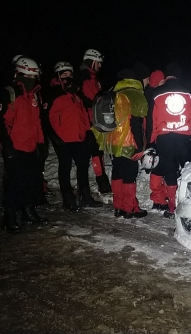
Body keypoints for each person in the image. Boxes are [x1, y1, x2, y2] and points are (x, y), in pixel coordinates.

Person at [0, 56, 49, 233]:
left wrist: (41, 143)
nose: (32, 80)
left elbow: (38, 121)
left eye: (34, 77)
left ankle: (28, 211)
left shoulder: (35, 95)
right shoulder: (9, 93)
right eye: (29, 77)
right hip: (14, 147)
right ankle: (9, 217)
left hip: (31, 146)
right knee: (14, 183)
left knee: (31, 181)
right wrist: (7, 145)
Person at [92, 62, 151, 218]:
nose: (149, 82)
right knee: (130, 174)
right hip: (129, 142)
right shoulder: (135, 94)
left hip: (112, 141)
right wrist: (139, 146)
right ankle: (130, 208)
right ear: (140, 79)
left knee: (118, 172)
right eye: (147, 79)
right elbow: (136, 123)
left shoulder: (116, 90)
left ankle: (119, 207)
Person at [145, 62, 191, 218]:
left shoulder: (157, 94)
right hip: (184, 137)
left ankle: (172, 207)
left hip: (164, 138)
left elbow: (152, 122)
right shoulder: (189, 93)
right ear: (179, 75)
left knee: (169, 171)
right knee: (187, 171)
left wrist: (151, 143)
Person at [47, 61, 103, 212]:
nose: (68, 77)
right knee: (65, 168)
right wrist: (54, 137)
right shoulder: (54, 94)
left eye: (70, 74)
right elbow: (47, 118)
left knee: (83, 167)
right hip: (63, 139)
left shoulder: (76, 94)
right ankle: (68, 199)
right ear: (58, 76)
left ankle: (85, 196)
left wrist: (87, 131)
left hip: (79, 138)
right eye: (64, 74)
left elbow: (83, 115)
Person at [77, 49, 112, 194]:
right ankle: (100, 182)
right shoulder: (84, 78)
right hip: (88, 121)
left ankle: (101, 181)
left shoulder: (92, 78)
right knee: (93, 152)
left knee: (97, 152)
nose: (100, 66)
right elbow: (91, 100)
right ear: (92, 61)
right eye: (98, 63)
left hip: (95, 120)